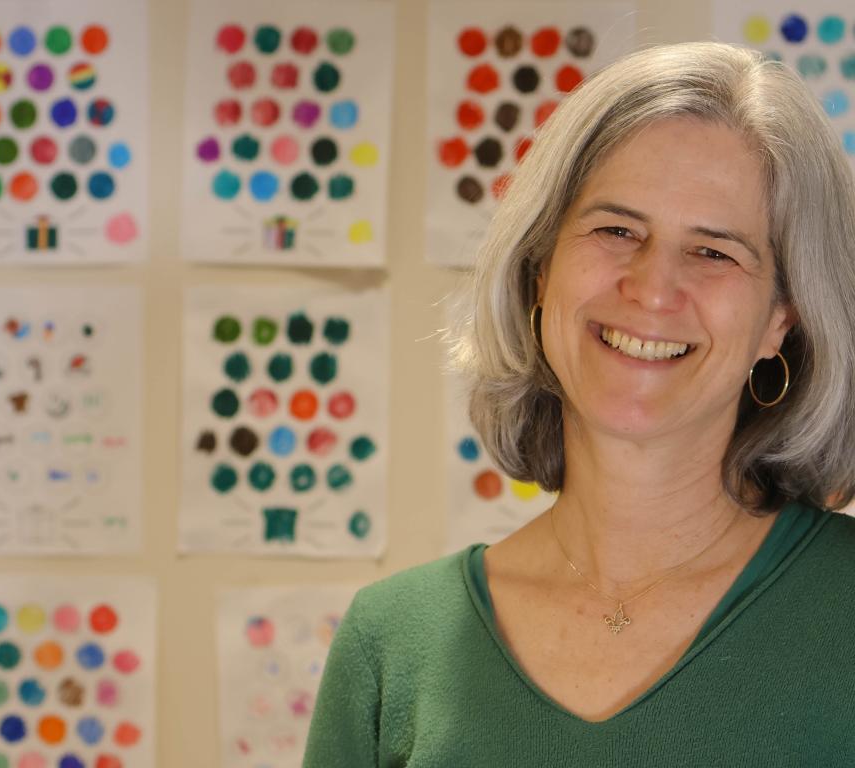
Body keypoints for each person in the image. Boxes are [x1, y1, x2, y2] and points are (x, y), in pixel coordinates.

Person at [303, 42, 855, 766]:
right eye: (617, 230)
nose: (653, 289)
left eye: (715, 251)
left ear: (782, 318)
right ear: (540, 271)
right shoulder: (392, 640)